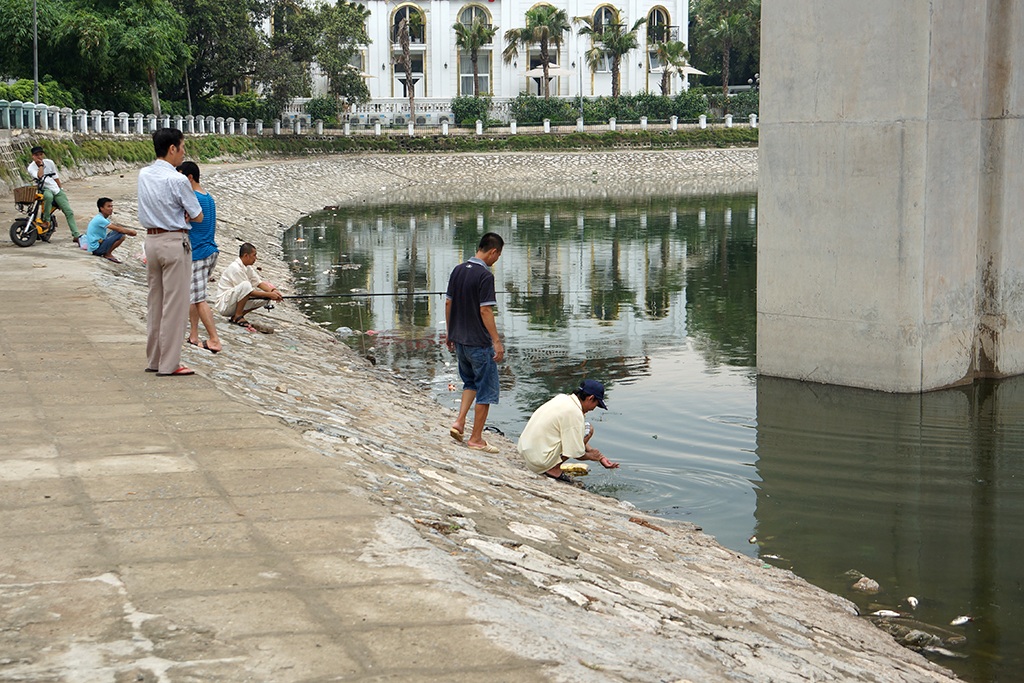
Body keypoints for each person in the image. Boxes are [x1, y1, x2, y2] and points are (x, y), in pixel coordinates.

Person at [138, 128, 203, 377]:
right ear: (172, 148)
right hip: (174, 242)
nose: (183, 152)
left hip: (151, 242)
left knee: (155, 303)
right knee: (175, 306)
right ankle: (170, 364)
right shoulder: (178, 179)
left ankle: (154, 359)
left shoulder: (144, 174)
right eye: (182, 147)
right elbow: (197, 215)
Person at [445, 232, 505, 453]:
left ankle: (459, 422)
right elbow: (485, 310)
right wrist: (497, 342)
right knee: (486, 390)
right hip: (479, 343)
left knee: (469, 382)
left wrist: (449, 332)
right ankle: (476, 438)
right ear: (493, 251)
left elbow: (449, 303)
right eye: (498, 255)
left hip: (459, 340)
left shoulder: (458, 270)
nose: (496, 260)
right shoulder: (485, 276)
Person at [517, 379, 619, 483]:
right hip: (539, 462)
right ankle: (553, 469)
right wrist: (592, 457)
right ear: (590, 398)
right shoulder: (574, 413)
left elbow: (576, 436)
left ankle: (552, 465)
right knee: (589, 429)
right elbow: (576, 452)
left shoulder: (563, 398)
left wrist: (600, 457)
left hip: (525, 453)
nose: (593, 409)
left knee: (584, 428)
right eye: (596, 404)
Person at [177, 161, 222, 354]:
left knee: (199, 298)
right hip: (210, 251)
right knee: (193, 296)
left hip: (198, 254)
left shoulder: (192, 197)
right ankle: (193, 335)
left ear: (189, 178)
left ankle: (214, 339)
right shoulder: (208, 196)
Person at [213, 243, 283, 331]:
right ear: (246, 255)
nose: (256, 258)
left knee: (265, 298)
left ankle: (238, 315)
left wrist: (273, 291)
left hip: (234, 301)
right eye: (254, 255)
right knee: (246, 285)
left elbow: (259, 283)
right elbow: (248, 291)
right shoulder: (235, 268)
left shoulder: (248, 268)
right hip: (225, 304)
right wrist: (269, 294)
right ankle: (238, 315)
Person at [26, 146, 81, 243]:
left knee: (68, 212)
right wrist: (41, 166)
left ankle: (76, 234)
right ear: (33, 156)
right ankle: (46, 221)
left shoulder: (50, 162)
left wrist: (61, 189)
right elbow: (39, 176)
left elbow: (55, 176)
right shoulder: (31, 167)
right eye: (36, 155)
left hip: (56, 189)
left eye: (40, 154)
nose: (39, 157)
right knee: (48, 196)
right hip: (44, 188)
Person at [85, 198, 137, 263]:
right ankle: (108, 254)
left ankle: (107, 252)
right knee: (121, 235)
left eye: (111, 206)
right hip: (97, 249)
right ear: (101, 208)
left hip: (98, 244)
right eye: (108, 206)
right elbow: (119, 229)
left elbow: (117, 227)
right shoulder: (100, 219)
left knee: (117, 232)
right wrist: (131, 232)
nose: (111, 209)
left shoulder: (102, 218)